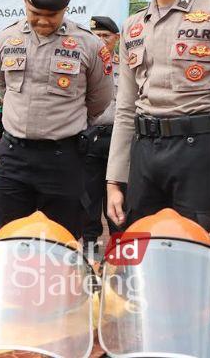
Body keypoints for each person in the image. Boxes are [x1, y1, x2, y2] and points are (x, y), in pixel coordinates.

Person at [106, 0, 210, 231]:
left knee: (197, 249)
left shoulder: (207, 14)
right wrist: (115, 179)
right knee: (143, 249)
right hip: (146, 152)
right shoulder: (133, 26)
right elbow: (124, 107)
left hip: (199, 152)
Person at [0, 0, 113, 239]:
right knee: (9, 235)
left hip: (64, 159)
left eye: (52, 16)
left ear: (66, 9)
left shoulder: (88, 44)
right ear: (25, 1)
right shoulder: (5, 40)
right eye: (36, 14)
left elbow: (100, 100)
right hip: (14, 157)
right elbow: (2, 88)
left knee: (63, 238)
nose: (44, 22)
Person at [83, 15, 123, 246]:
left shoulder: (125, 65)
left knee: (119, 196)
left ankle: (119, 246)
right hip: (91, 137)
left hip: (119, 139)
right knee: (88, 196)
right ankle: (89, 246)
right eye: (95, 36)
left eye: (105, 36)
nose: (100, 41)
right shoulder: (85, 64)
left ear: (116, 38)